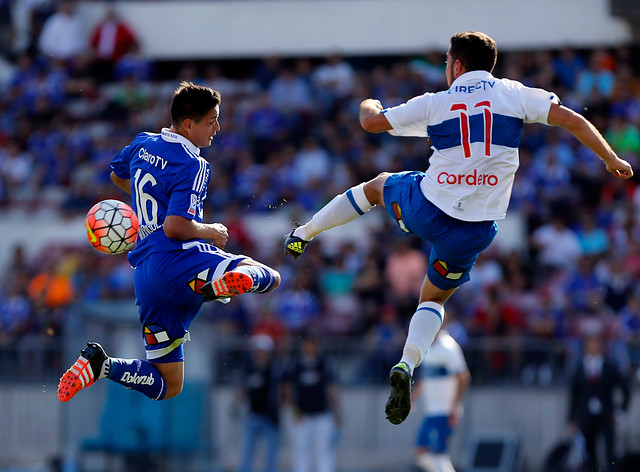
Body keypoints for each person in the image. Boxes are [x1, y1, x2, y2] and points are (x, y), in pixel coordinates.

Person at [283, 31, 633, 425]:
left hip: (429, 208)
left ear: (457, 65)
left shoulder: (437, 103)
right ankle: (406, 363)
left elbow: (370, 122)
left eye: (447, 61)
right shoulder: (516, 94)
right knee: (432, 299)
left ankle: (304, 233)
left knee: (378, 185)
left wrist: (370, 100)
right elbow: (570, 118)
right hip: (474, 230)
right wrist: (610, 157)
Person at [58, 81, 281, 403]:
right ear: (189, 125)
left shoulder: (142, 143)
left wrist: (148, 215)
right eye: (212, 120)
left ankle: (100, 365)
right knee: (270, 277)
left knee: (166, 384)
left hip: (147, 274)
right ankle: (223, 283)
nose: (217, 128)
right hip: (179, 261)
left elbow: (119, 176)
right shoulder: (193, 164)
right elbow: (177, 228)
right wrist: (211, 230)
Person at [568, 334, 630, 472]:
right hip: (586, 416)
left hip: (606, 415)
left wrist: (620, 411)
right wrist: (571, 418)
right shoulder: (580, 368)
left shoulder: (609, 366)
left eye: (596, 343)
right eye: (590, 343)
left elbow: (625, 388)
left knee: (610, 452)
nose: (593, 346)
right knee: (589, 452)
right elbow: (574, 394)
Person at [413, 329, 470, 472]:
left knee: (436, 455)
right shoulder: (426, 346)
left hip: (445, 410)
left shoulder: (449, 347)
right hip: (431, 410)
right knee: (423, 454)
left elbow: (463, 377)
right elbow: (426, 378)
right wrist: (412, 398)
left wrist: (455, 407)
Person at [284, 335, 342, 472]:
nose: (310, 348)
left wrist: (337, 412)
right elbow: (288, 390)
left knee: (323, 450)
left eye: (313, 344)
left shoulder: (324, 363)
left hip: (322, 415)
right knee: (301, 451)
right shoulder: (295, 364)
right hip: (302, 416)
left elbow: (332, 389)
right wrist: (294, 411)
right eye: (307, 344)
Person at [236, 334, 285, 472]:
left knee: (271, 454)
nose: (259, 354)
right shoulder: (249, 369)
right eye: (257, 351)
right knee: (247, 451)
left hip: (270, 416)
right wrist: (235, 404)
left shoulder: (275, 370)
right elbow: (243, 389)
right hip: (253, 415)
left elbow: (282, 391)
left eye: (262, 351)